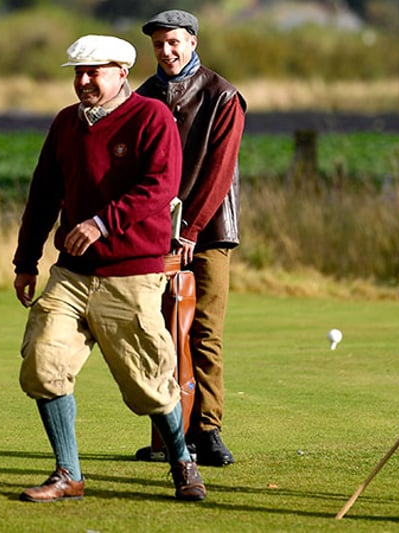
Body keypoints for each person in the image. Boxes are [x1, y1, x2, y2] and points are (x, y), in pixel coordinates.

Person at [12, 34, 206, 502]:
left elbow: (161, 186)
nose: (83, 81)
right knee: (43, 362)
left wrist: (103, 223)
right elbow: (42, 195)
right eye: (78, 73)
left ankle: (182, 461)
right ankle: (68, 474)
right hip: (71, 274)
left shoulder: (151, 117)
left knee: (151, 383)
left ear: (122, 72)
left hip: (132, 273)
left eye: (93, 72)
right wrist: (26, 260)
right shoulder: (64, 124)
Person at [134, 9, 246, 467]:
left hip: (211, 233)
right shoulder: (143, 95)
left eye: (175, 42)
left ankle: (209, 431)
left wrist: (192, 230)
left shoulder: (224, 96)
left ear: (193, 43)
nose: (167, 51)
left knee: (204, 332)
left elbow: (219, 174)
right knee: (158, 333)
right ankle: (167, 436)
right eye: (160, 44)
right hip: (156, 233)